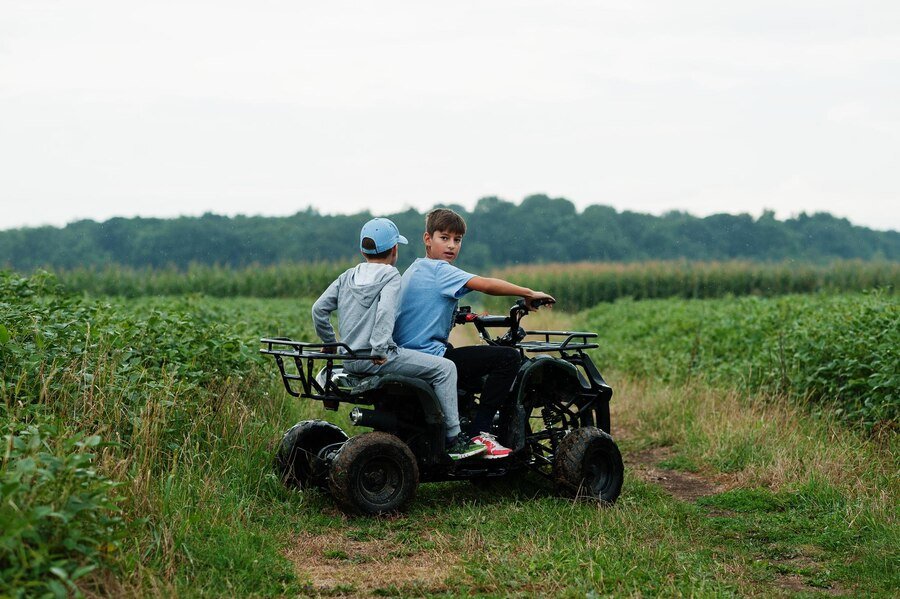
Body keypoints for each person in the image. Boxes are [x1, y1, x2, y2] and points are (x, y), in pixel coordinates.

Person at [312, 217, 484, 460]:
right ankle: (455, 439)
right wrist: (380, 349)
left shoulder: (347, 276)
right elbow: (385, 312)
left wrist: (330, 344)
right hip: (377, 357)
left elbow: (318, 310)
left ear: (363, 249)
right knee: (446, 369)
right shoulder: (390, 276)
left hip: (350, 358)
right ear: (394, 250)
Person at [393, 208, 555, 458]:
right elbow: (487, 284)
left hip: (410, 355)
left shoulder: (415, 269)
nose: (451, 246)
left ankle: (463, 415)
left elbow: (425, 306)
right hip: (430, 356)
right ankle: (481, 432)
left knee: (459, 358)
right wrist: (529, 293)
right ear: (428, 239)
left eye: (457, 240)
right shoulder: (441, 270)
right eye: (444, 238)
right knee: (507, 358)